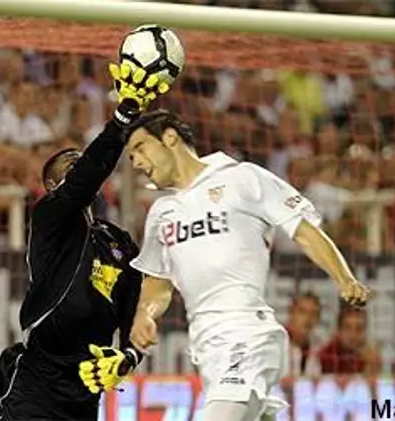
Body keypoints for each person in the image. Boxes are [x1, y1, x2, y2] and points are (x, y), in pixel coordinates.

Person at [124, 110, 370, 421]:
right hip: (207, 350)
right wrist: (145, 315)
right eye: (131, 156)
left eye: (140, 148)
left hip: (249, 336)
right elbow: (158, 284)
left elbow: (304, 231)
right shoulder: (161, 212)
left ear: (169, 137)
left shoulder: (242, 177)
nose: (136, 162)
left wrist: (344, 278)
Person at [0, 63, 170, 421]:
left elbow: (138, 308)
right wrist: (122, 120)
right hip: (37, 381)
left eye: (81, 161)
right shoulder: (49, 218)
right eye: (69, 167)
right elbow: (86, 179)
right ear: (51, 186)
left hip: (87, 390)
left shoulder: (116, 241)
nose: (80, 167)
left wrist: (129, 356)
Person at [317, 305, 381, 375]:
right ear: (339, 331)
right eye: (347, 328)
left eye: (359, 329)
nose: (353, 335)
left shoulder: (370, 356)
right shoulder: (324, 356)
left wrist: (371, 366)